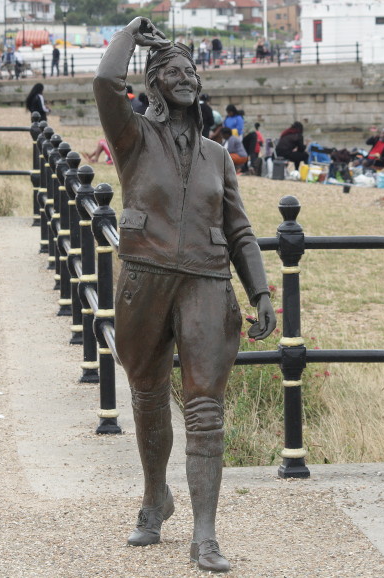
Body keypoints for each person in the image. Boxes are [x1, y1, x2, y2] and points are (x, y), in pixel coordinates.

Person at [93, 17, 275, 574]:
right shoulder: (132, 138)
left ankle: (205, 534)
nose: (185, 78)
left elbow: (241, 229)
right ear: (153, 85)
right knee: (147, 397)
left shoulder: (218, 156)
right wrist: (129, 33)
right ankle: (155, 500)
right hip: (145, 278)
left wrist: (261, 289)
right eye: (172, 71)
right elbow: (104, 82)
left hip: (206, 281)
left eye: (191, 71)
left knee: (204, 410)